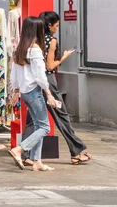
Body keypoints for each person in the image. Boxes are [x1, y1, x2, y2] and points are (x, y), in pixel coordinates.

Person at [22, 12, 92, 166]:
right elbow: (49, 66)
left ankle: (24, 155)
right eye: (56, 26)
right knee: (61, 116)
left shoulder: (35, 41)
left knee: (32, 120)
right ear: (49, 25)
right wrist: (64, 57)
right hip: (48, 82)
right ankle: (76, 151)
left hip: (34, 83)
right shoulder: (51, 41)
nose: (57, 29)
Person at [8, 17, 57, 172]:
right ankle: (20, 149)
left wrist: (16, 90)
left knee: (38, 125)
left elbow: (14, 73)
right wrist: (48, 93)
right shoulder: (35, 49)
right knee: (44, 127)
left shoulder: (20, 49)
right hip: (34, 91)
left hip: (25, 92)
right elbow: (40, 75)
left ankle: (37, 161)